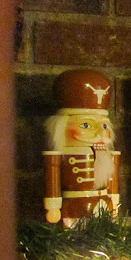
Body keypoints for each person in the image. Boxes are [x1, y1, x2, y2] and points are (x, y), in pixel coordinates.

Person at [43, 69, 120, 227]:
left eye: (104, 126)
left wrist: (114, 200)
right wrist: (53, 206)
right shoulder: (56, 157)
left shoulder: (108, 154)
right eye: (86, 125)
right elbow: (53, 181)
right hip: (74, 206)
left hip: (103, 203)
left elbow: (112, 181)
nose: (100, 132)